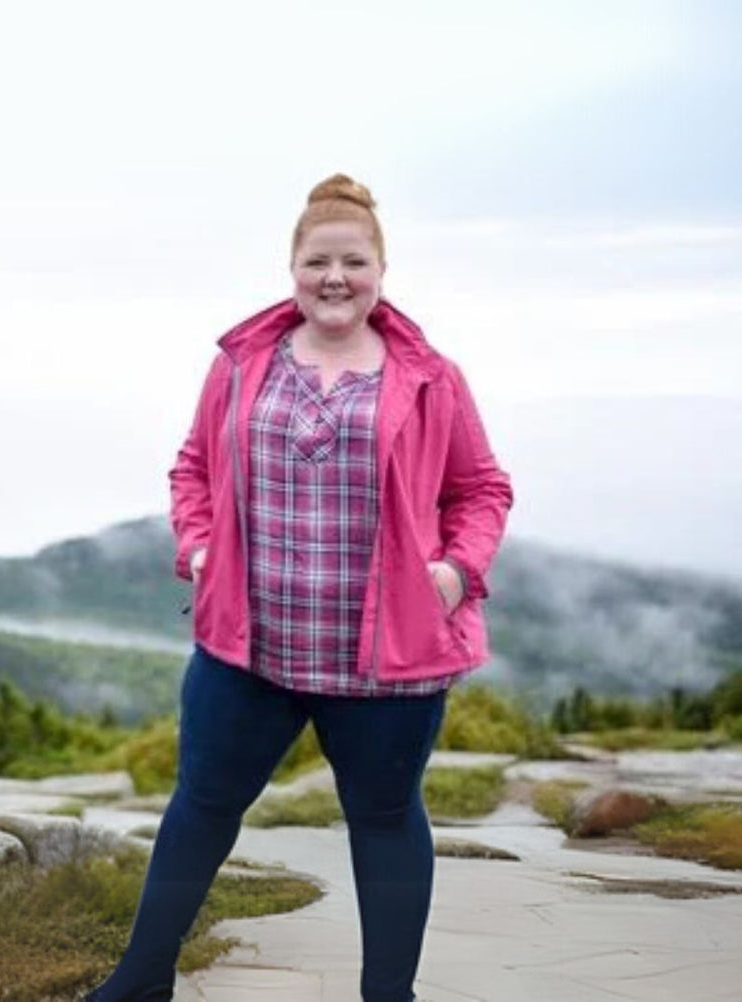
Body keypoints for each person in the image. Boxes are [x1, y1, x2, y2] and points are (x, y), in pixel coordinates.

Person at [84, 175, 513, 1002]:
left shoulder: (431, 377)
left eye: (354, 261)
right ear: (293, 267)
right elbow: (193, 468)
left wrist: (457, 573)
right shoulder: (242, 365)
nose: (335, 277)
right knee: (202, 806)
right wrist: (198, 546)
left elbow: (482, 489)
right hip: (249, 650)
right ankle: (140, 982)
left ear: (381, 270)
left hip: (386, 661)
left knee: (384, 821)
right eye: (318, 261)